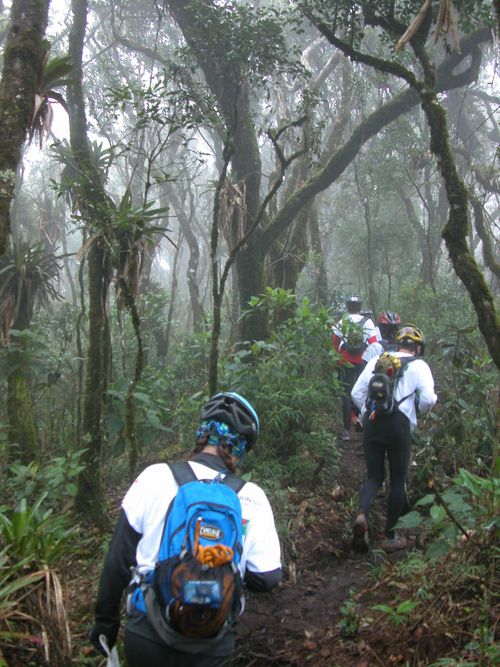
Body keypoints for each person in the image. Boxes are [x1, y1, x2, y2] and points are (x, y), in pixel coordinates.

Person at [89, 392, 282, 666]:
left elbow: (118, 559)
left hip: (147, 631)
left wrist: (105, 622)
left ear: (201, 434)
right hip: (212, 640)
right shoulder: (252, 497)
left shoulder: (153, 476)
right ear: (240, 449)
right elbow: (268, 577)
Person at [350, 325, 437, 553]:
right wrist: (415, 410)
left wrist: (366, 415)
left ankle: (362, 515)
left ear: (397, 344)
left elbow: (356, 394)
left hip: (372, 422)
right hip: (399, 426)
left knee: (374, 477)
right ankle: (390, 536)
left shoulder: (377, 360)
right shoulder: (420, 366)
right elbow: (428, 398)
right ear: (417, 347)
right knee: (399, 480)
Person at [331, 296, 378, 441]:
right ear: (360, 307)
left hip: (344, 361)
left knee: (346, 393)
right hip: (362, 361)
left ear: (347, 307)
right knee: (362, 390)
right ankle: (361, 422)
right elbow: (374, 343)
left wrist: (337, 359)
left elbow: (334, 343)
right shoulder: (367, 322)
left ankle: (346, 430)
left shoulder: (342, 322)